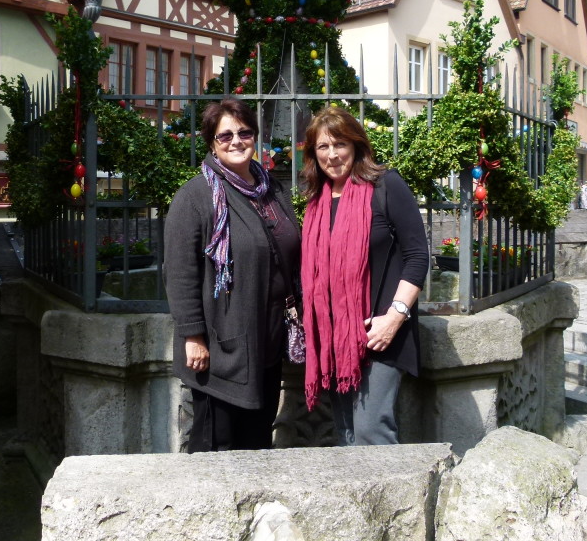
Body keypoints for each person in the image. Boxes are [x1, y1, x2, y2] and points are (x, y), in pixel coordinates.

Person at [164, 98, 301, 452]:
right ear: (212, 142)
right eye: (225, 136)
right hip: (219, 350)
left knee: (256, 443)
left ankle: (251, 506)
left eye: (244, 132)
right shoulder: (196, 197)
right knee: (216, 446)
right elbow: (180, 274)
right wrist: (192, 336)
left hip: (266, 342)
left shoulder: (272, 190)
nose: (236, 141)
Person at [299, 107, 429, 445]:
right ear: (313, 154)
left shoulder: (386, 185)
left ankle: (393, 499)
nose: (332, 154)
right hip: (336, 337)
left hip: (380, 333)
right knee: (345, 433)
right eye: (322, 147)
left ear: (356, 145)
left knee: (372, 432)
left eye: (340, 144)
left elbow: (417, 256)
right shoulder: (317, 202)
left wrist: (395, 317)